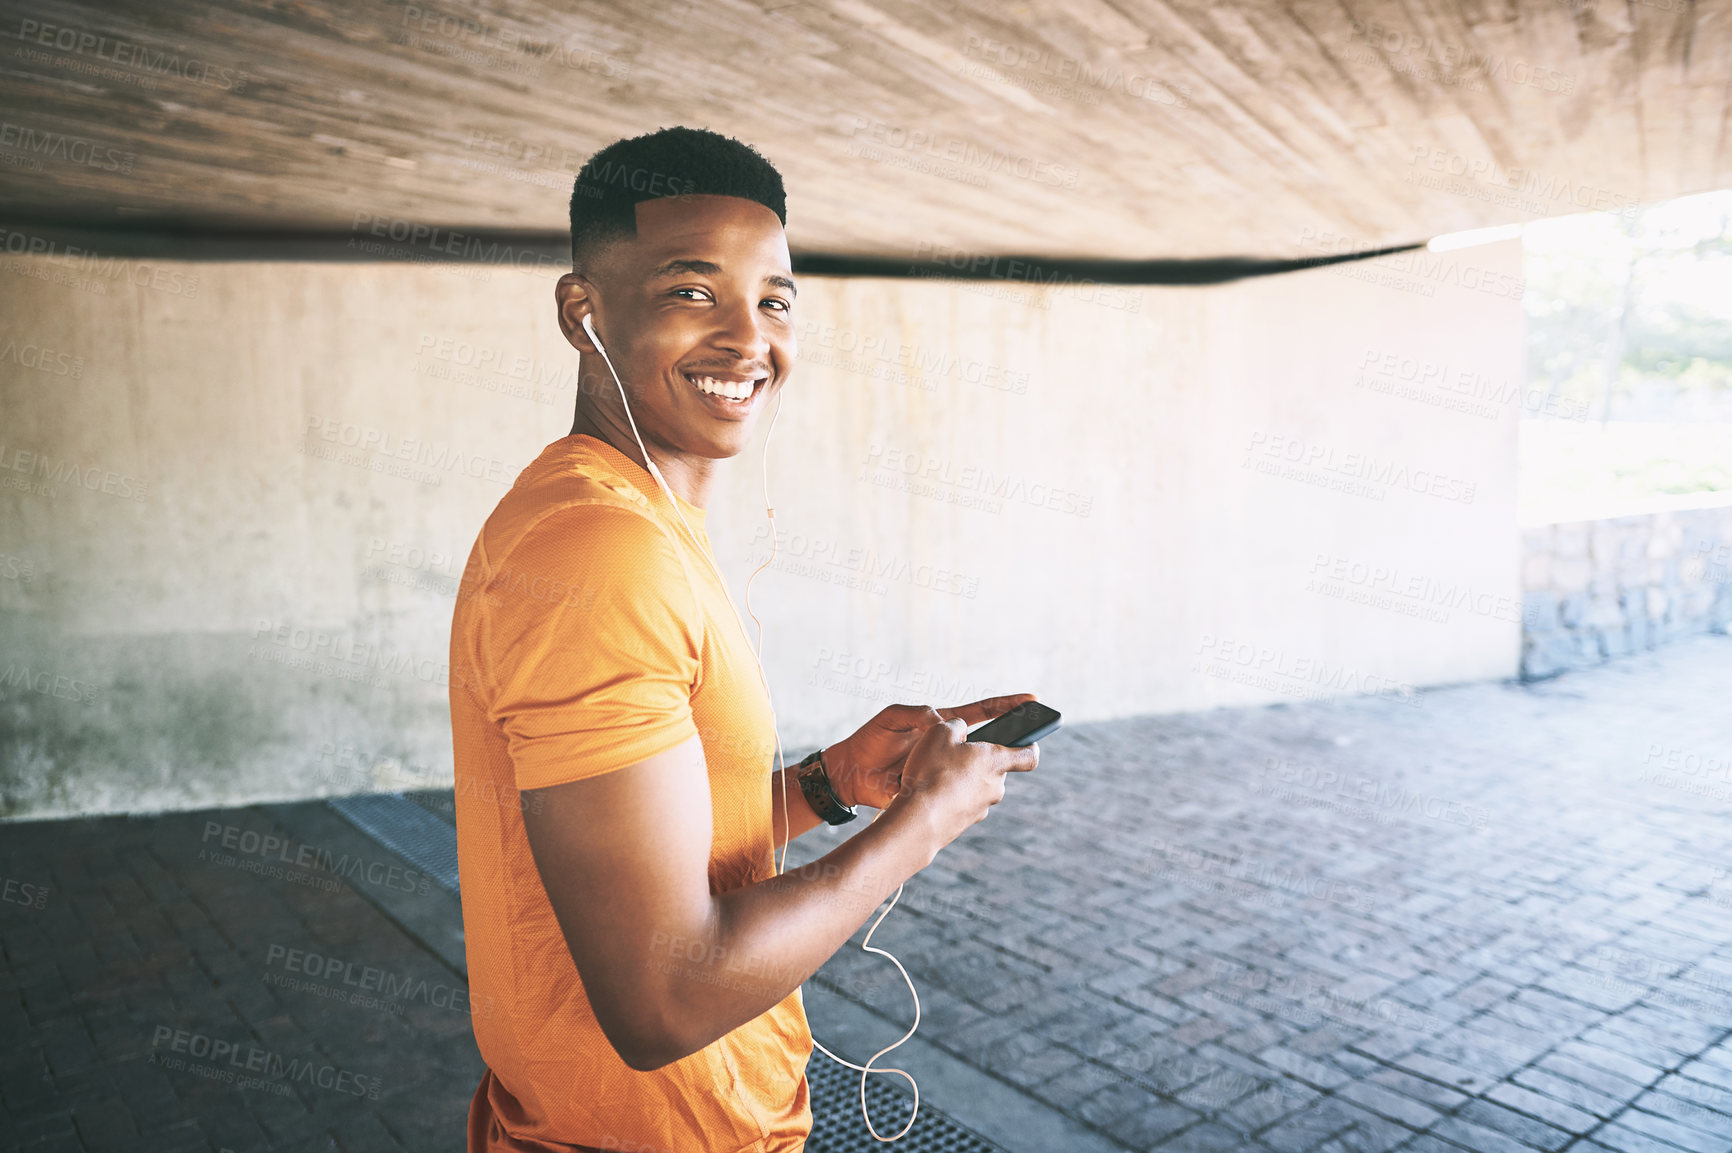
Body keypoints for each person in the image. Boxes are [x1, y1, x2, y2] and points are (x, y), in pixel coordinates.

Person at [448, 125, 1040, 1153]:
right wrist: (920, 826)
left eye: (773, 299)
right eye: (691, 291)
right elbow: (663, 1001)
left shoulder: (633, 522)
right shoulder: (599, 552)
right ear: (581, 311)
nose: (747, 340)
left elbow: (650, 850)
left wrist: (825, 786)